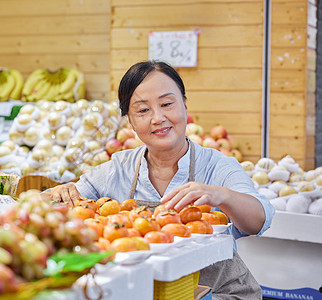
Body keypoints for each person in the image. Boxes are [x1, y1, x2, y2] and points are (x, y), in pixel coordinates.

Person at [42, 60, 275, 299]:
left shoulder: (217, 165)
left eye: (166, 104)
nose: (158, 118)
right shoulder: (119, 168)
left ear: (185, 106)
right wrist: (62, 192)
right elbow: (65, 201)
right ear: (130, 122)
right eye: (143, 110)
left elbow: (258, 221)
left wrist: (222, 195)